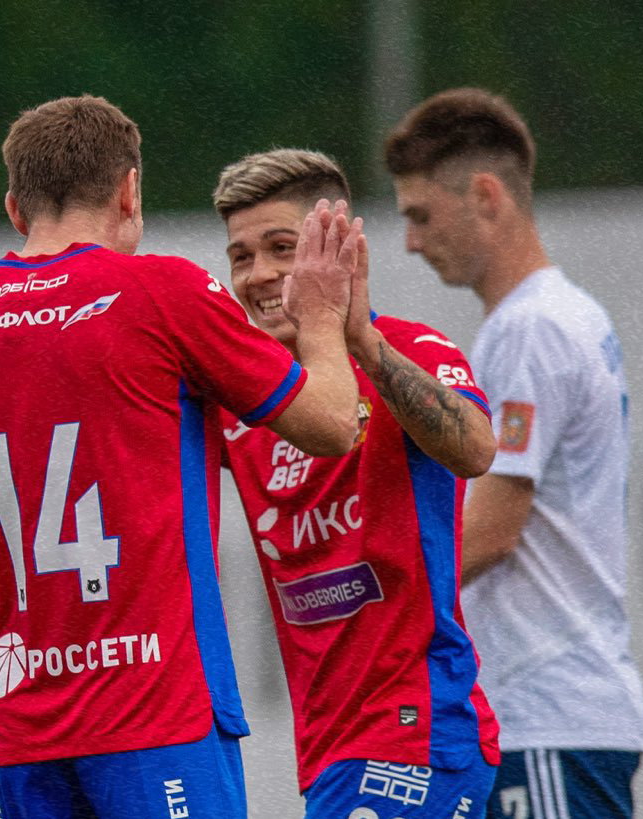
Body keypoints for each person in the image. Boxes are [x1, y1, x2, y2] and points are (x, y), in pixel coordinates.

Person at [0, 95, 363, 819]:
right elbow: (334, 423)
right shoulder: (161, 292)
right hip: (158, 713)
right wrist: (326, 316)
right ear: (129, 191)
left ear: (16, 208)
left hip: (22, 728)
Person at [211, 148, 501, 818]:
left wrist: (361, 339)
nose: (259, 275)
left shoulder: (408, 349)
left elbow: (478, 449)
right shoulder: (237, 402)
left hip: (415, 732)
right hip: (331, 751)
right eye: (240, 256)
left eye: (283, 247)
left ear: (338, 246)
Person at [384, 88, 643, 819]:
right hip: (561, 705)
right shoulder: (568, 313)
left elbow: (493, 528)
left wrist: (365, 600)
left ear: (487, 195)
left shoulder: (528, 329)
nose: (409, 239)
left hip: (545, 705)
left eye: (420, 214)